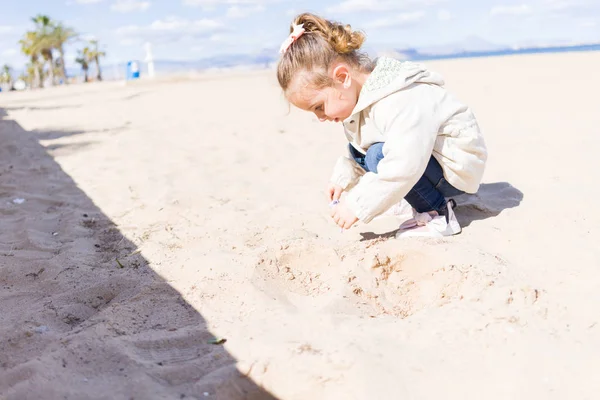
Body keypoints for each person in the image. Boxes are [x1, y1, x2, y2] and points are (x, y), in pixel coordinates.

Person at [276, 13, 487, 237]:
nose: (320, 117)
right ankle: (407, 197)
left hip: (455, 171)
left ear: (342, 77)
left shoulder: (399, 99)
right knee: (367, 149)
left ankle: (439, 214)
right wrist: (342, 178)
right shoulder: (361, 99)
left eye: (319, 106)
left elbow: (404, 163)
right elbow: (359, 150)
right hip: (426, 159)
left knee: (379, 155)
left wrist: (357, 205)